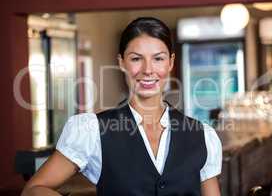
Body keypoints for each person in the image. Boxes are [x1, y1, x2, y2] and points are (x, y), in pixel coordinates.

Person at [21, 17, 222, 196]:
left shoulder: (202, 135)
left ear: (170, 63)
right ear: (121, 62)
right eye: (136, 59)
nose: (148, 70)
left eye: (158, 58)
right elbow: (33, 189)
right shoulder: (91, 131)